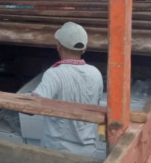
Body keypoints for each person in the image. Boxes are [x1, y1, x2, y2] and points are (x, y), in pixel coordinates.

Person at [31, 22, 103, 158]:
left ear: (58, 46)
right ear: (84, 49)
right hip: (88, 151)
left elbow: (32, 105)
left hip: (58, 152)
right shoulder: (96, 73)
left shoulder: (54, 74)